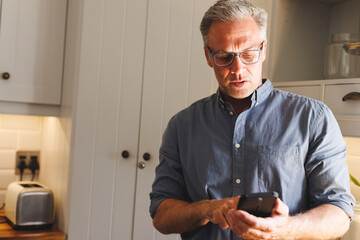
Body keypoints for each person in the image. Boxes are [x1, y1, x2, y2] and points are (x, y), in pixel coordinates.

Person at [149, 0, 355, 239]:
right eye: (225, 57)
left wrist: (285, 228)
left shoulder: (313, 118)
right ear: (208, 55)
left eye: (248, 54)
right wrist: (208, 209)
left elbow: (339, 213)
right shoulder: (182, 126)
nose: (237, 68)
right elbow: (162, 217)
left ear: (263, 49)